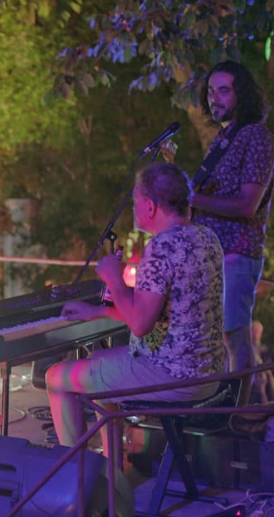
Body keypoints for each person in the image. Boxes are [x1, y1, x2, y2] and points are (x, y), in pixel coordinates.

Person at [46, 162, 226, 460]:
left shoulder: (162, 247)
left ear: (151, 206)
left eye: (135, 202)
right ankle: (110, 474)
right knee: (100, 363)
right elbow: (161, 313)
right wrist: (98, 313)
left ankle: (73, 476)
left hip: (173, 378)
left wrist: (114, 277)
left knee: (57, 376)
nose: (134, 208)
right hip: (207, 375)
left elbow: (140, 324)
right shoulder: (207, 239)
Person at [190, 61, 274, 406]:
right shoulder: (225, 137)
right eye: (210, 91)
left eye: (223, 90)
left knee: (236, 336)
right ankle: (222, 409)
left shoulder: (255, 136)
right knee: (220, 336)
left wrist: (194, 199)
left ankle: (239, 415)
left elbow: (246, 205)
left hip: (237, 251)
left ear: (243, 94)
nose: (214, 99)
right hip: (216, 253)